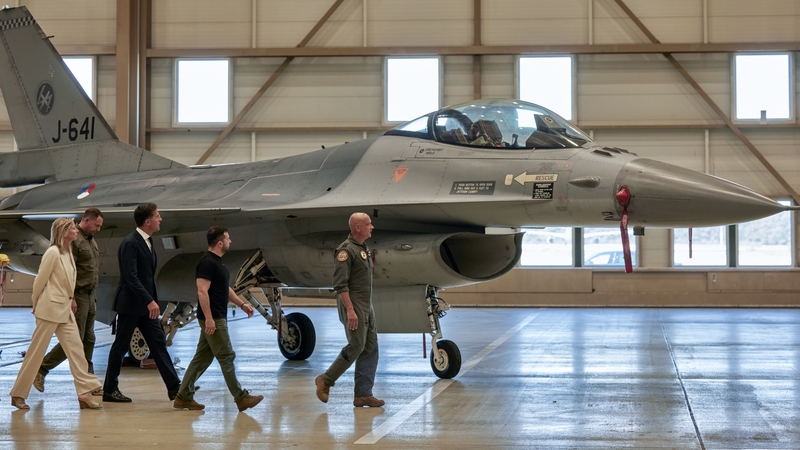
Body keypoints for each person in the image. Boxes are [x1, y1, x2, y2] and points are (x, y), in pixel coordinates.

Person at [10, 217, 103, 410]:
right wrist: (35, 305)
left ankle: (84, 393)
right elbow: (39, 282)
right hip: (48, 310)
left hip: (65, 311)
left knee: (77, 352)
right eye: (72, 228)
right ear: (63, 231)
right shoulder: (52, 253)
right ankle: (18, 395)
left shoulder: (68, 252)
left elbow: (67, 282)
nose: (76, 230)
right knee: (35, 354)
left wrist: (71, 300)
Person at [173, 226, 263, 412]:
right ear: (220, 242)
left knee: (201, 359)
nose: (231, 241)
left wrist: (242, 304)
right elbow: (202, 291)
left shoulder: (218, 263)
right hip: (213, 318)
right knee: (226, 357)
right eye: (228, 238)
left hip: (217, 316)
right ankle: (240, 397)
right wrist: (209, 319)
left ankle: (183, 397)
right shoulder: (207, 263)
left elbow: (225, 289)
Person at [102, 203, 181, 403]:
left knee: (158, 344)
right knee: (120, 347)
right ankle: (110, 389)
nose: (160, 218)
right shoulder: (131, 243)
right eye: (157, 215)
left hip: (145, 308)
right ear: (148, 221)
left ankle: (175, 388)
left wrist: (150, 302)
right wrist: (150, 301)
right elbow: (131, 277)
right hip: (130, 306)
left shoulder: (148, 241)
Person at [315, 212, 384, 408]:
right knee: (356, 346)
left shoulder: (361, 248)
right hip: (354, 306)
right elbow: (340, 285)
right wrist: (351, 311)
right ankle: (326, 380)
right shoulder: (345, 251)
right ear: (357, 228)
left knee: (370, 348)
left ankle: (363, 394)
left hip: (366, 306)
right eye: (368, 224)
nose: (372, 227)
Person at [34, 208, 103, 394]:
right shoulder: (74, 240)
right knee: (74, 340)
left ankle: (89, 381)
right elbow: (67, 271)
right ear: (86, 220)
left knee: (89, 339)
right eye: (96, 225)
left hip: (90, 295)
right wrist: (71, 297)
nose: (98, 229)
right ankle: (41, 369)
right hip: (77, 296)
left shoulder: (90, 240)